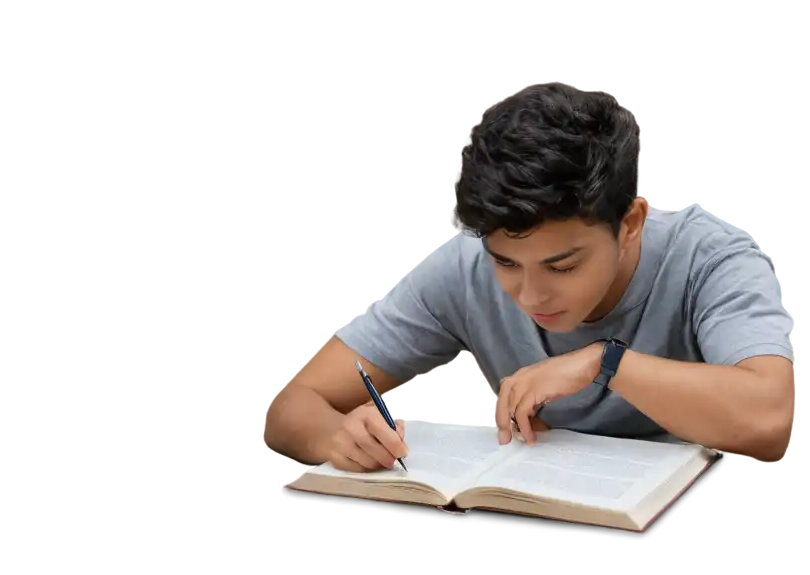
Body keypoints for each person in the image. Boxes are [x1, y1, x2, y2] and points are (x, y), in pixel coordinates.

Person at [258, 80, 799, 472]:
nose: (531, 295)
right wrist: (336, 436)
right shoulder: (461, 266)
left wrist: (604, 362)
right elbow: (287, 403)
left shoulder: (712, 257)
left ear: (630, 223)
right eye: (506, 263)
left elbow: (770, 414)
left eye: (564, 265)